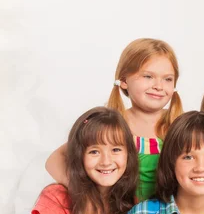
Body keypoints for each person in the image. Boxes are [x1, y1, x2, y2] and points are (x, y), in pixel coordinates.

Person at [46, 38, 183, 201]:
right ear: (124, 81)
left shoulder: (181, 126)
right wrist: (87, 195)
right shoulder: (111, 126)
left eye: (167, 79)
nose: (159, 86)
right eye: (148, 76)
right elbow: (54, 160)